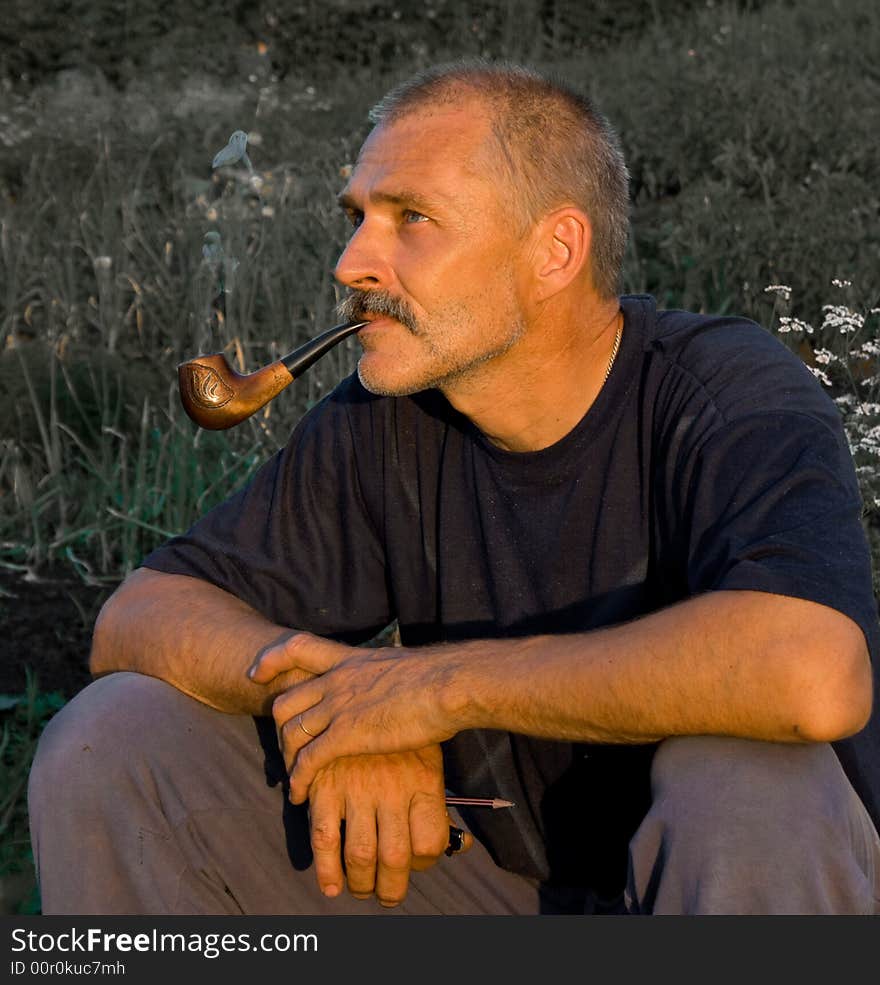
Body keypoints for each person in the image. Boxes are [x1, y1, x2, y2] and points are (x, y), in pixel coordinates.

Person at [28, 60, 880, 915]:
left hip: (733, 882)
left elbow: (813, 672)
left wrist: (428, 690)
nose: (351, 262)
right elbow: (139, 613)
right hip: (495, 883)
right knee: (114, 738)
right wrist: (339, 709)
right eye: (357, 218)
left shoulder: (726, 392)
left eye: (413, 219)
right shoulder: (385, 419)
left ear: (555, 251)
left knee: (745, 779)